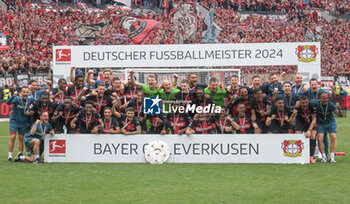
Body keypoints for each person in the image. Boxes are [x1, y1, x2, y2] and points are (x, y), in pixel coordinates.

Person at [6, 87, 35, 163]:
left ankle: (20, 154)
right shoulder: (17, 99)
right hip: (14, 121)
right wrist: (13, 96)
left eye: (26, 92)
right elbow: (8, 103)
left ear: (28, 93)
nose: (25, 94)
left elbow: (35, 104)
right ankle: (10, 156)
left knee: (21, 138)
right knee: (12, 137)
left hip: (23, 122)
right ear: (20, 93)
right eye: (23, 92)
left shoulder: (31, 100)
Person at [312, 92, 343, 163]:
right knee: (320, 139)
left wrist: (339, 108)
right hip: (320, 124)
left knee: (333, 137)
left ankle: (332, 157)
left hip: (330, 123)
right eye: (324, 98)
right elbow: (307, 101)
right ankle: (324, 157)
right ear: (320, 99)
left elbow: (340, 115)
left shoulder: (331, 104)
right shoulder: (316, 104)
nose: (326, 100)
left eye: (327, 98)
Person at [294, 96, 317, 163]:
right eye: (303, 103)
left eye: (306, 102)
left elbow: (314, 119)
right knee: (298, 136)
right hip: (301, 123)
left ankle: (311, 156)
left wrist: (309, 130)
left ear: (308, 102)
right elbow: (293, 117)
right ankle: (300, 155)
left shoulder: (312, 106)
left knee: (312, 136)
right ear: (300, 103)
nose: (305, 104)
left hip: (311, 123)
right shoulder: (297, 107)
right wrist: (295, 110)